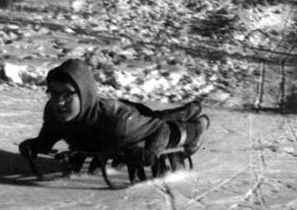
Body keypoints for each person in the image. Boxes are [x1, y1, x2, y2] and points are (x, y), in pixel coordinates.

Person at [19, 58, 209, 179]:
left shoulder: (116, 125)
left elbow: (160, 129)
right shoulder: (53, 111)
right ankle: (189, 109)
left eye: (67, 95)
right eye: (53, 93)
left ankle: (197, 126)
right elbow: (52, 131)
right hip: (117, 117)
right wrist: (38, 144)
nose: (59, 102)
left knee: (165, 124)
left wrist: (152, 153)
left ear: (84, 94)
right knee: (157, 116)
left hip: (127, 117)